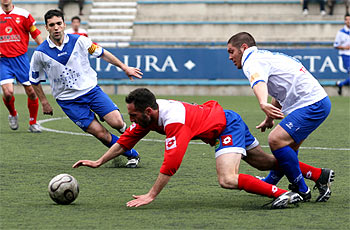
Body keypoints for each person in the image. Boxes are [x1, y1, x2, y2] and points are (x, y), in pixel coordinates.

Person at [73, 88, 338, 209]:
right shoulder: (149, 115)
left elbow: (171, 162)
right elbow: (124, 142)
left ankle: (282, 194)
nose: (131, 121)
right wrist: (99, 161)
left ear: (149, 111)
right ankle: (318, 174)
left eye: (133, 115)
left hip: (225, 127)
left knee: (227, 179)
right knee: (264, 163)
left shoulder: (173, 120)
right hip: (227, 119)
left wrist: (151, 195)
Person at [227, 32, 334, 202]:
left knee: (275, 140)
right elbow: (279, 88)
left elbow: (258, 82)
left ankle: (302, 190)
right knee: (287, 150)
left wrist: (263, 103)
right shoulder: (264, 57)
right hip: (315, 101)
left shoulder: (251, 61)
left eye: (231, 51)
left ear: (243, 48)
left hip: (312, 103)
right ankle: (316, 176)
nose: (230, 57)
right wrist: (269, 117)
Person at [29, 9, 143, 167]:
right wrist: (44, 102)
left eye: (59, 24)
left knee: (116, 122)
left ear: (64, 24)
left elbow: (102, 53)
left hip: (91, 91)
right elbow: (34, 80)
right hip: (68, 101)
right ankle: (132, 155)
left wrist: (124, 67)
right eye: (52, 25)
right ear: (46, 28)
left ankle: (125, 133)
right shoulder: (40, 53)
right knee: (101, 134)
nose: (56, 27)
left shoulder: (79, 41)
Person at [0, 0, 43, 132]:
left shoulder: (23, 14)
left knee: (31, 91)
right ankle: (13, 114)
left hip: (21, 59)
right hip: (3, 60)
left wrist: (44, 50)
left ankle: (33, 122)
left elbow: (35, 33)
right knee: (8, 93)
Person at [334, 14, 350, 96]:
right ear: (345, 21)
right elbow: (336, 45)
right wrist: (344, 48)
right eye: (347, 20)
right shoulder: (341, 33)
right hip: (346, 56)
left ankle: (340, 84)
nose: (349, 21)